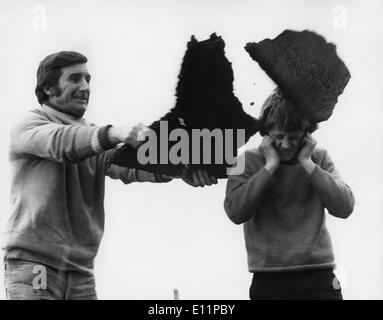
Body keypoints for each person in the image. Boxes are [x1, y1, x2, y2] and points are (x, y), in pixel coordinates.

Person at [2, 51, 217, 300]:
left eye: (87, 79)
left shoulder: (93, 136)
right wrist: (115, 133)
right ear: (49, 87)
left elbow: (129, 165)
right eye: (75, 79)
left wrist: (181, 171)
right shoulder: (29, 126)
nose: (85, 87)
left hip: (81, 272)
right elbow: (61, 144)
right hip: (36, 265)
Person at [224, 89, 355, 300]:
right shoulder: (246, 161)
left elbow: (345, 207)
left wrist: (307, 163)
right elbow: (236, 212)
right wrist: (270, 167)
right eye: (279, 137)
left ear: (307, 134)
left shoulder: (318, 158)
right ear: (266, 134)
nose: (285, 144)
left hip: (318, 275)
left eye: (293, 138)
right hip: (268, 278)